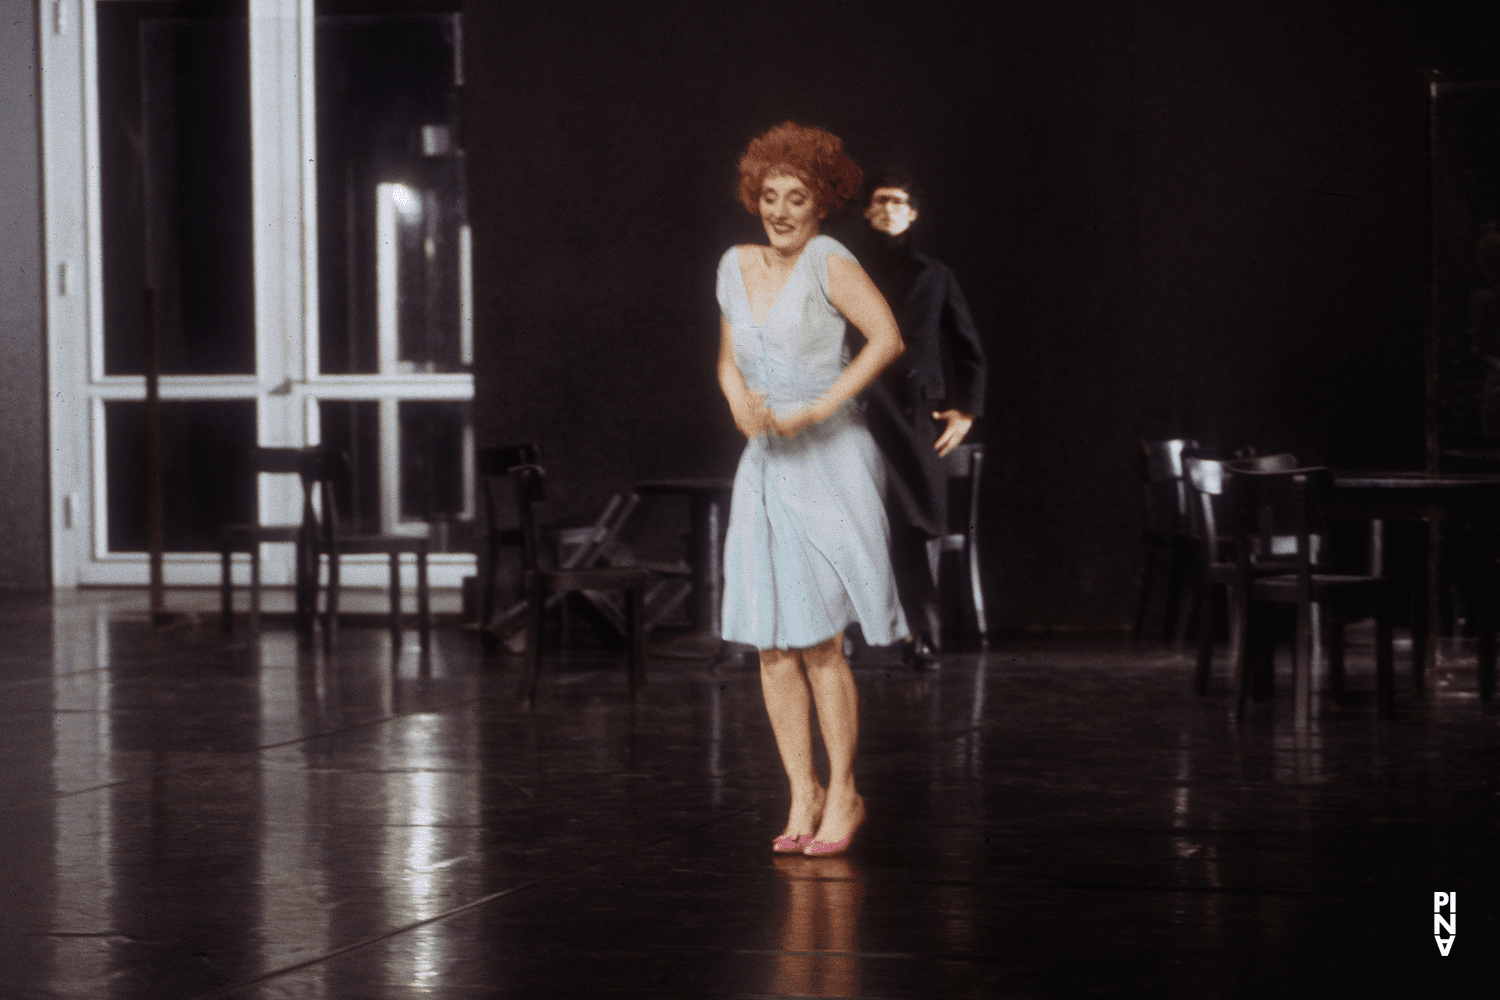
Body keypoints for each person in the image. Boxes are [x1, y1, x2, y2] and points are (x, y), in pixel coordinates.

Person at [717, 122, 908, 858]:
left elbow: (886, 339)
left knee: (822, 642)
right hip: (765, 464)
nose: (782, 210)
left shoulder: (830, 258)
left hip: (830, 462)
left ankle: (848, 791)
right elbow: (729, 360)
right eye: (770, 196)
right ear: (754, 199)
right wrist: (739, 404)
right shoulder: (733, 265)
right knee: (772, 642)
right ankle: (803, 789)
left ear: (822, 203)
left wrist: (819, 409)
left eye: (797, 197)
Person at [854, 170, 987, 669]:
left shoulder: (935, 276)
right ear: (868, 212)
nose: (889, 209)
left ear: (912, 214)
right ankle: (840, 638)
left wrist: (967, 410)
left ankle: (921, 637)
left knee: (912, 526)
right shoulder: (844, 270)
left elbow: (968, 348)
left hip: (912, 418)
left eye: (899, 202)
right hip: (856, 412)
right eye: (880, 201)